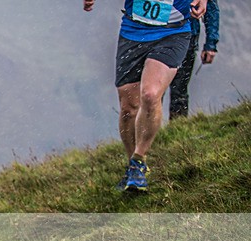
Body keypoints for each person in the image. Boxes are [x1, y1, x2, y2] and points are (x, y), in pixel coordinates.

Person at [84, 0, 207, 192]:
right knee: (128, 108)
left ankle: (139, 159)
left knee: (150, 94)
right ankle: (132, 166)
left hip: (173, 32)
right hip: (133, 31)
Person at [169, 0, 219, 119]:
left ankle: (177, 131)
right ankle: (151, 133)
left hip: (187, 38)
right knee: (152, 91)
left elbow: (210, 6)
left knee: (179, 90)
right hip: (156, 37)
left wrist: (211, 44)